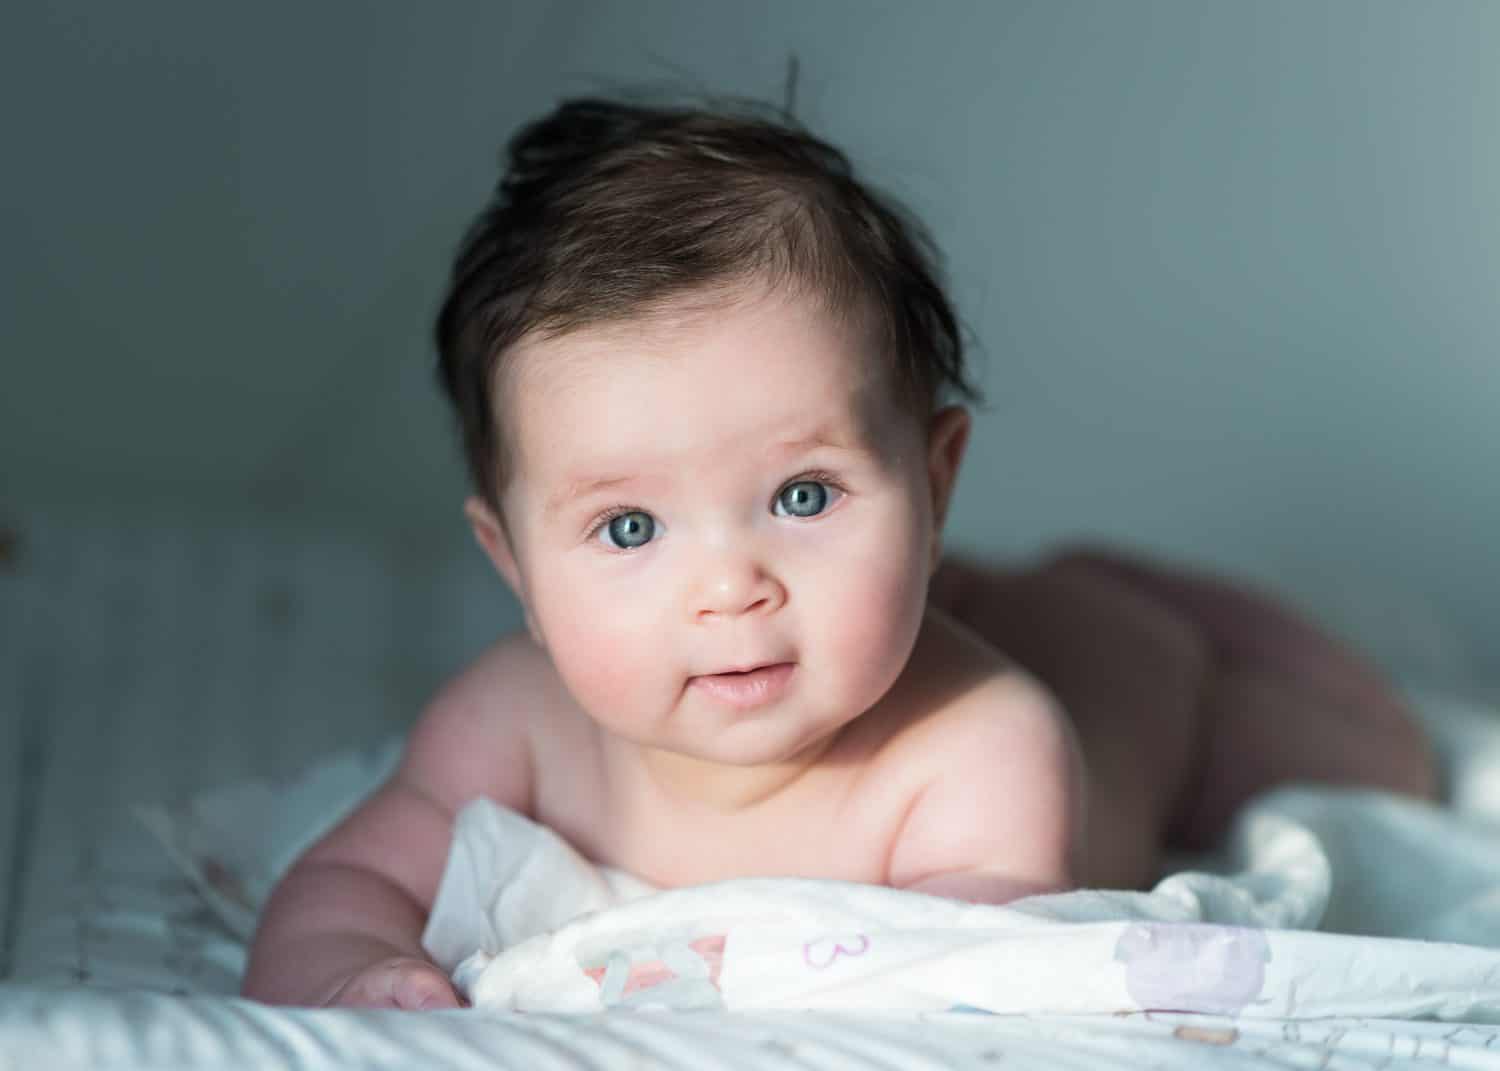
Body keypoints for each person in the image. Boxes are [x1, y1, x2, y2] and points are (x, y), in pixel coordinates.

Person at [241, 96, 1436, 1010]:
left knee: (1387, 766)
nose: (729, 587)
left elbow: (950, 1001)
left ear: (934, 476)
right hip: (960, 604)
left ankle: (1131, 595)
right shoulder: (507, 724)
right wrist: (360, 975)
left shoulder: (978, 752)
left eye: (803, 494)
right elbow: (346, 887)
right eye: (630, 527)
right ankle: (1039, 577)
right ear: (514, 568)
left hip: (1135, 693)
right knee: (1012, 598)